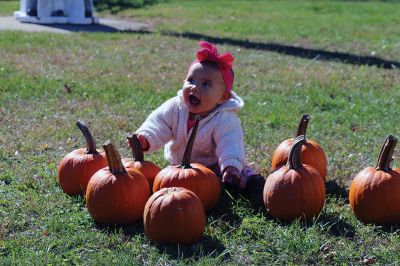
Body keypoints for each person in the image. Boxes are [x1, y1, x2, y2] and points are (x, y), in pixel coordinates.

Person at [133, 41, 265, 205]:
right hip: (179, 167)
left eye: (206, 84)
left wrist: (230, 165)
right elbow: (159, 123)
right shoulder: (176, 107)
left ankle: (250, 185)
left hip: (215, 166)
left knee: (241, 173)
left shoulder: (224, 119)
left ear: (222, 97)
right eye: (191, 80)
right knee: (166, 182)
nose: (195, 87)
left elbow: (230, 143)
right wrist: (145, 137)